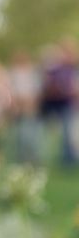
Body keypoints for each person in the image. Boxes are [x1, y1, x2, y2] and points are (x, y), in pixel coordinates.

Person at [40, 38, 79, 166]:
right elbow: (48, 84)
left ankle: (68, 159)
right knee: (50, 132)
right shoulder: (53, 67)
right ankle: (46, 157)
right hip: (52, 104)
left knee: (68, 132)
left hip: (67, 103)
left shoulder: (72, 68)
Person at [8, 50, 42, 164]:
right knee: (21, 135)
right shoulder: (12, 74)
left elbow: (37, 91)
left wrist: (30, 103)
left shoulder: (33, 73)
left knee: (31, 134)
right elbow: (10, 90)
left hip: (30, 107)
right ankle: (22, 158)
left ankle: (33, 158)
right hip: (18, 108)